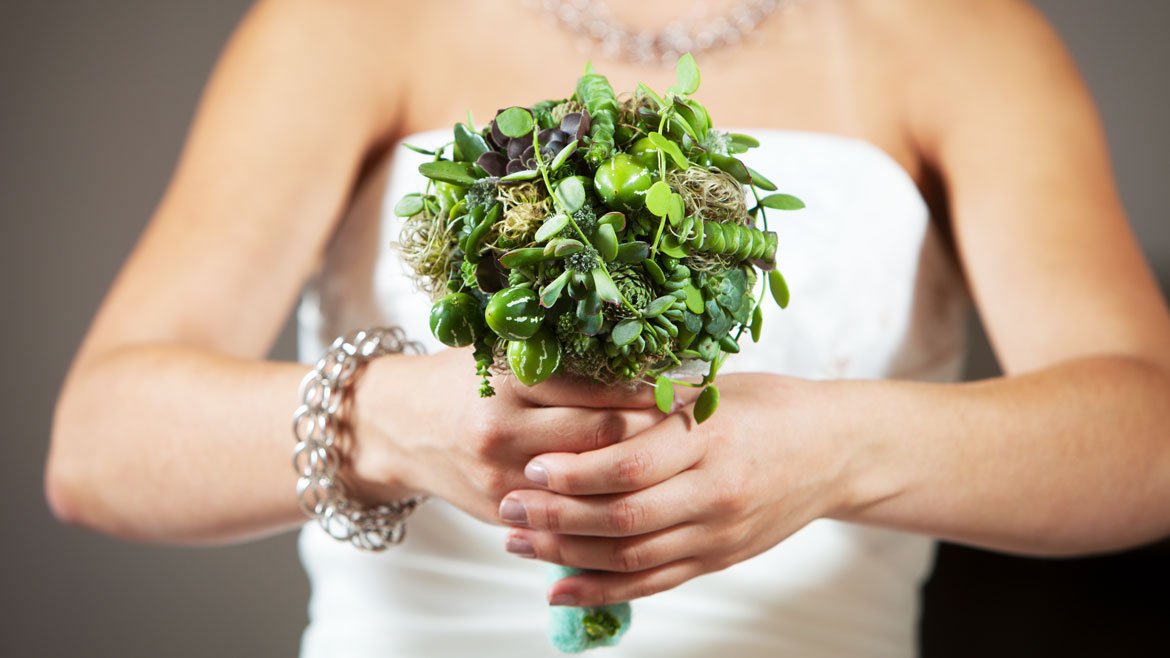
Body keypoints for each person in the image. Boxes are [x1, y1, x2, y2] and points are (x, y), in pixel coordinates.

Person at [46, 0, 1170, 655]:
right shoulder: (350, 20)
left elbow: (1148, 435)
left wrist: (838, 451)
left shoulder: (962, 33)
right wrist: (392, 422)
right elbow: (100, 442)